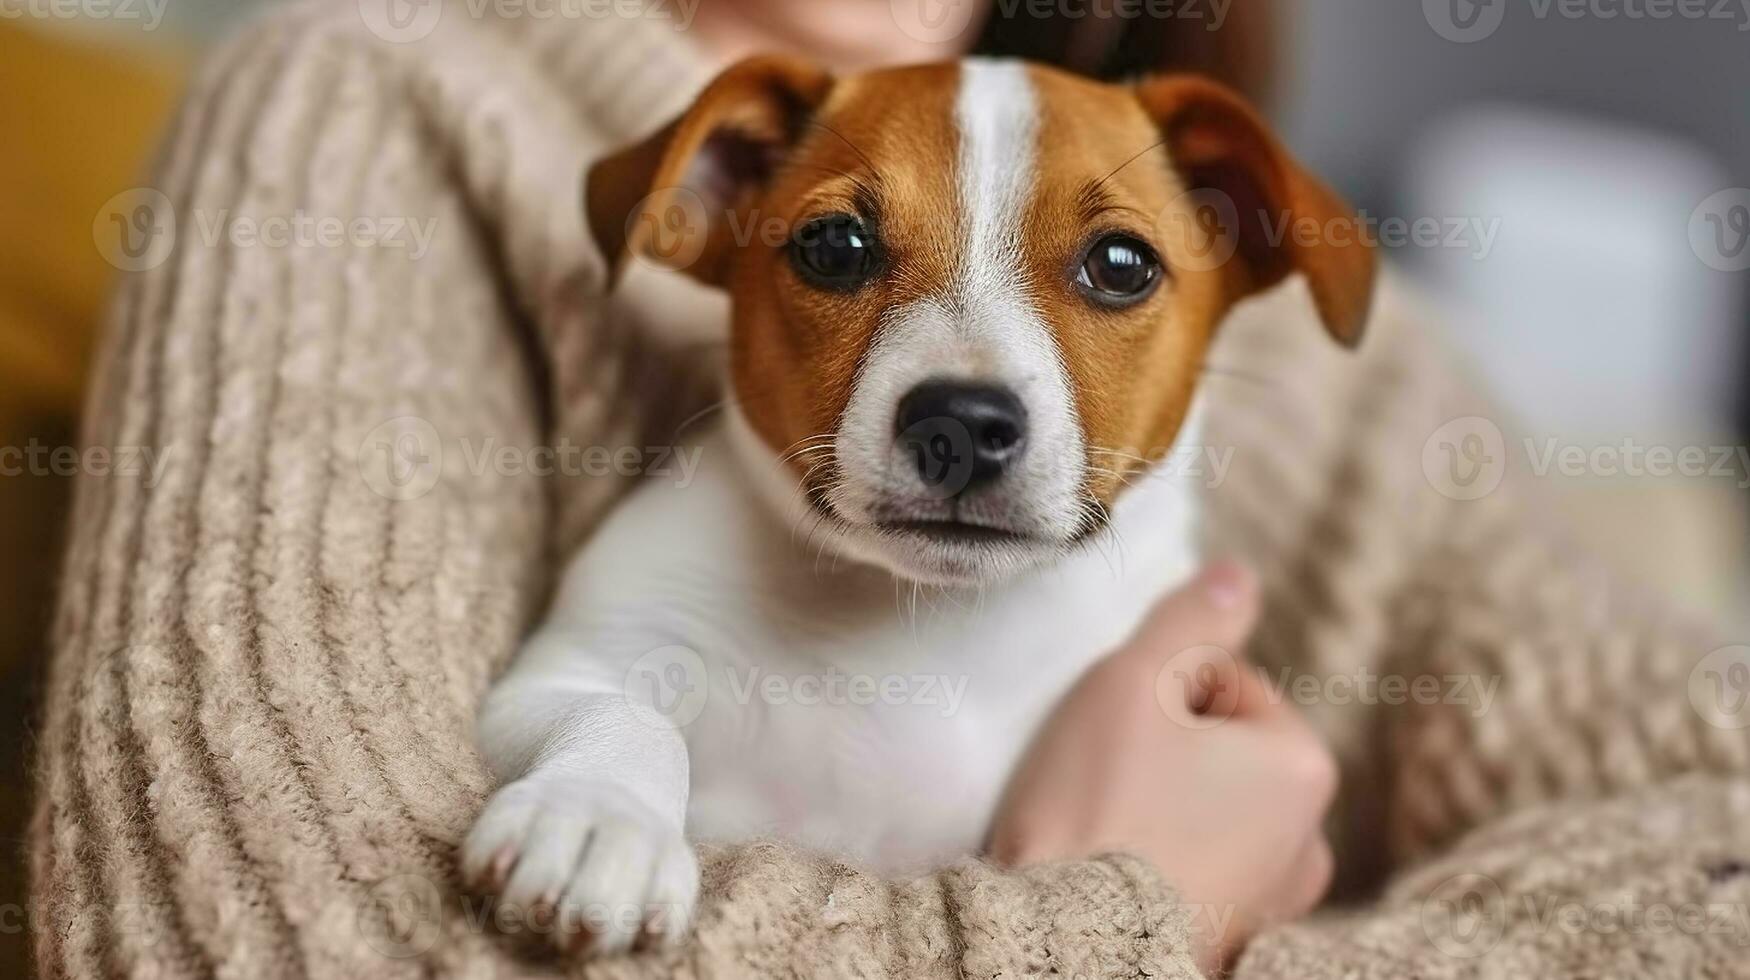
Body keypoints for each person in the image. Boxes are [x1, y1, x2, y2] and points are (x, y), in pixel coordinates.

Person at [33, 1, 1748, 977]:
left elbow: (1712, 840)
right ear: (702, 215)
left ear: (1236, 249)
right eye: (846, 251)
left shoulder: (1325, 368)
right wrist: (1134, 919)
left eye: (1114, 272)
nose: (974, 396)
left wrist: (1216, 939)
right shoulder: (368, 102)